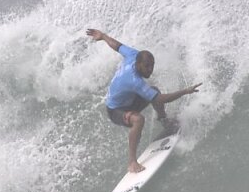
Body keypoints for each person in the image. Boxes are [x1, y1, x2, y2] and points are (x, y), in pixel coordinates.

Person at [85, 28, 201, 174]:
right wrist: (185, 91)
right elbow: (160, 99)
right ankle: (132, 162)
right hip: (115, 110)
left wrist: (103, 36)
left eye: (152, 66)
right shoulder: (134, 80)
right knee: (139, 119)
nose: (150, 70)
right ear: (139, 64)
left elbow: (117, 46)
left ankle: (164, 120)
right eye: (147, 67)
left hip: (129, 101)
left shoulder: (134, 54)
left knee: (154, 91)